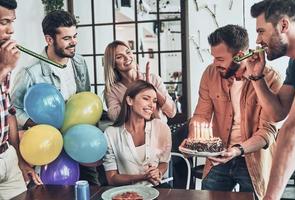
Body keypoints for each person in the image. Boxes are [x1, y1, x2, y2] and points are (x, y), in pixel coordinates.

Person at [186, 25, 281, 199]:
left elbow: (267, 132)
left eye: (220, 59)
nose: (215, 64)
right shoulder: (210, 73)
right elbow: (201, 115)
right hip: (217, 156)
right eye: (213, 58)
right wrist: (195, 142)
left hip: (253, 159)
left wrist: (236, 150)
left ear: (239, 56)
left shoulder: (271, 79)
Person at [10, 10, 99, 186]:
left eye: (75, 36)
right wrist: (36, 124)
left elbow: (84, 101)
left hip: (79, 142)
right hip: (48, 145)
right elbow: (13, 109)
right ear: (49, 39)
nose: (73, 42)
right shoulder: (30, 72)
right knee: (53, 193)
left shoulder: (79, 62)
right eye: (67, 39)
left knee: (93, 189)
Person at [249, 1, 295, 199]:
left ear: (284, 26)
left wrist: (270, 197)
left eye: (261, 31)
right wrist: (256, 77)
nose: (258, 40)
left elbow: (294, 129)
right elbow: (278, 112)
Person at [0, 0, 42, 199]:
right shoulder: (5, 64)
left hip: (6, 155)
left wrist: (19, 159)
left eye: (12, 22)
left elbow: (9, 113)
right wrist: (5, 68)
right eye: (3, 22)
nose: (10, 30)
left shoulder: (3, 57)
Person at [103, 80, 171, 186]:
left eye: (154, 101)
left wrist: (158, 172)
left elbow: (164, 162)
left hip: (157, 191)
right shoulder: (111, 134)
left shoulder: (161, 127)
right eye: (146, 98)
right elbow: (111, 178)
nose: (151, 105)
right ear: (130, 100)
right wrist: (143, 177)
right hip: (126, 194)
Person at [103, 40, 176, 123]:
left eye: (128, 52)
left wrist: (151, 88)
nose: (127, 58)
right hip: (133, 135)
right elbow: (116, 117)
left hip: (160, 132)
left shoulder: (154, 79)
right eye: (119, 57)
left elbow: (171, 112)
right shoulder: (112, 90)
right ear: (113, 64)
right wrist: (136, 91)